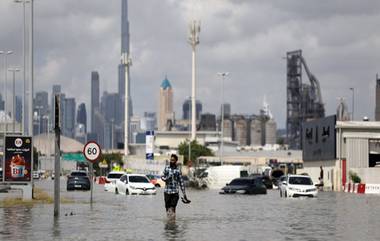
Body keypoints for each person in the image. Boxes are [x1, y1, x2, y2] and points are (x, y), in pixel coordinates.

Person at [162, 154, 189, 219]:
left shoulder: (178, 170)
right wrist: (166, 179)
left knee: (172, 207)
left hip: (175, 192)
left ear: (176, 161)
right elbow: (162, 176)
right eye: (171, 160)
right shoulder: (167, 168)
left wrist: (184, 194)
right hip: (167, 192)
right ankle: (169, 222)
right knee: (167, 208)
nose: (171, 161)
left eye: (173, 160)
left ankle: (173, 222)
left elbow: (181, 182)